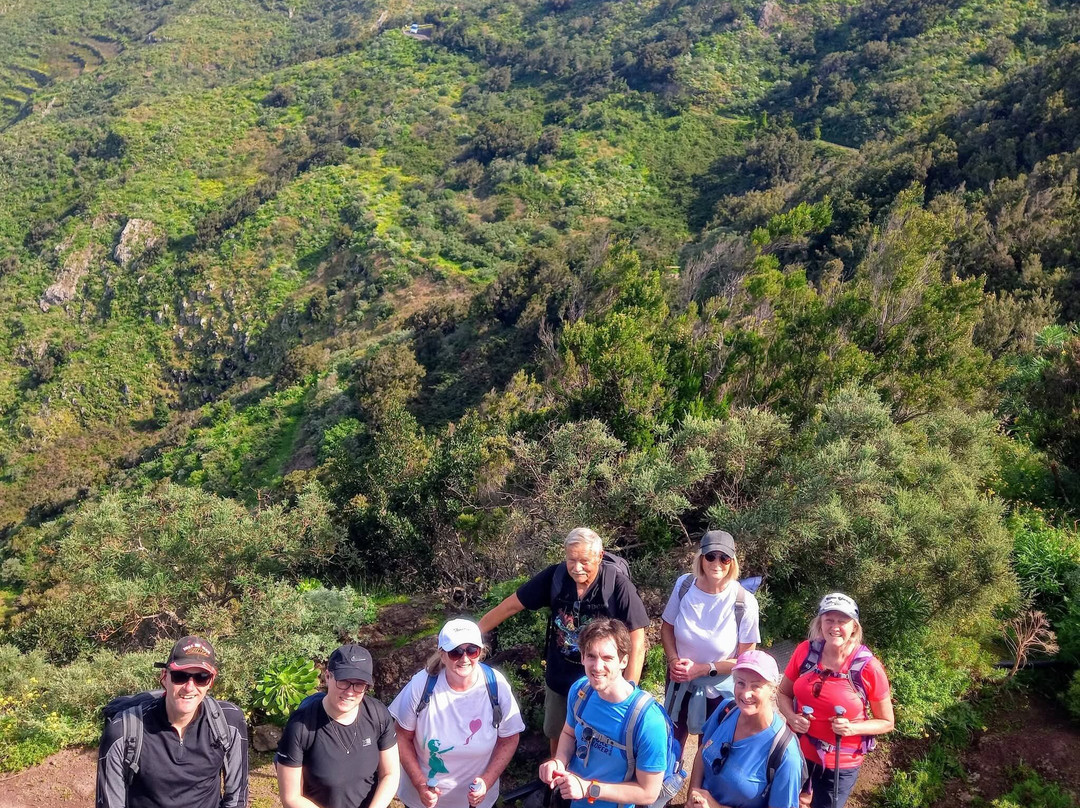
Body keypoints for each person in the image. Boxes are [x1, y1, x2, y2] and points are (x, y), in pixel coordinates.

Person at [479, 527, 650, 755]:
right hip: (560, 678)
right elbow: (511, 605)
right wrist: (469, 637)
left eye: (584, 561)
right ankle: (557, 782)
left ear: (600, 556)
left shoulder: (616, 585)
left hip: (602, 678)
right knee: (557, 732)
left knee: (602, 738)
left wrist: (629, 693)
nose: (577, 568)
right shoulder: (556, 577)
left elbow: (637, 640)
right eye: (571, 560)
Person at [96, 635, 249, 808]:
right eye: (180, 676)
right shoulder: (123, 731)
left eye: (201, 677)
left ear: (211, 682)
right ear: (164, 677)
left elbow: (236, 799)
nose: (189, 687)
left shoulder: (228, 724)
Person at [389, 618, 526, 808]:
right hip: (423, 802)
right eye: (455, 652)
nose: (465, 658)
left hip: (477, 803)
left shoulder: (496, 685)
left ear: (481, 652)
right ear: (442, 654)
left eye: (472, 650)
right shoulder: (421, 686)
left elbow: (509, 737)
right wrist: (420, 783)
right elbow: (401, 737)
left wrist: (487, 781)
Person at [776, 594, 894, 808]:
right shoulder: (805, 651)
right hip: (797, 751)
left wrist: (851, 728)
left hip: (840, 762)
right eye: (829, 619)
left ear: (854, 628)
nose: (835, 626)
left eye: (843, 621)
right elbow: (783, 694)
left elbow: (886, 722)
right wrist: (791, 717)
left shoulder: (868, 667)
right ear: (820, 623)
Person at [539, 618, 668, 808]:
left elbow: (648, 793)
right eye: (591, 656)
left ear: (624, 660)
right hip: (571, 801)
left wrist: (588, 789)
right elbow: (568, 733)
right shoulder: (580, 691)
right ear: (582, 657)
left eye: (608, 658)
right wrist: (558, 763)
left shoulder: (648, 721)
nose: (597, 667)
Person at [661, 529, 759, 750]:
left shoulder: (745, 601)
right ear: (701, 558)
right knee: (669, 745)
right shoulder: (684, 585)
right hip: (679, 682)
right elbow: (667, 627)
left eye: (724, 558)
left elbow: (745, 661)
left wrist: (705, 668)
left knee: (709, 751)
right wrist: (672, 660)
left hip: (719, 691)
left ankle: (699, 785)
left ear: (732, 562)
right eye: (711, 556)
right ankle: (667, 783)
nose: (717, 563)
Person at [276, 644, 400, 808]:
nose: (350, 692)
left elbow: (390, 774)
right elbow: (291, 798)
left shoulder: (377, 714)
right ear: (328, 677)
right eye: (343, 681)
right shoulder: (301, 726)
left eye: (359, 684)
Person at [687, 651, 803, 808]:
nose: (746, 693)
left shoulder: (785, 754)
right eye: (740, 683)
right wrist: (693, 794)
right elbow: (702, 751)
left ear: (773, 690)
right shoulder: (726, 710)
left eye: (756, 686)